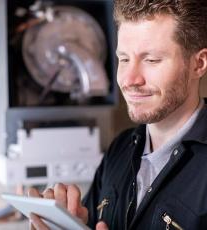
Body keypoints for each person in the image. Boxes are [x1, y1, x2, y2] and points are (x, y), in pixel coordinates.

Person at [28, 0, 207, 229]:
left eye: (151, 60)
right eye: (123, 59)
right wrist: (72, 224)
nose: (130, 80)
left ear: (198, 64)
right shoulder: (119, 149)